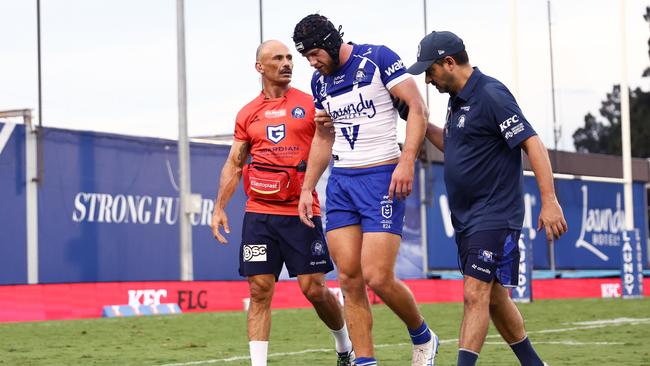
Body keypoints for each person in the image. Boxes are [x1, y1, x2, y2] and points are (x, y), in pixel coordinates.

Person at [403, 31, 568, 366]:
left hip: (494, 215)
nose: (428, 79)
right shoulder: (458, 100)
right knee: (493, 297)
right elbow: (453, 145)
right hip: (467, 219)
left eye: (430, 70)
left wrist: (549, 200)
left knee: (474, 292)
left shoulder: (491, 94)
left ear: (449, 62)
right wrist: (412, 120)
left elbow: (532, 142)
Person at [292, 14, 439, 366]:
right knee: (349, 279)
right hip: (342, 183)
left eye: (314, 54)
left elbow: (417, 107)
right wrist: (307, 188)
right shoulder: (320, 82)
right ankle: (365, 361)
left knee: (376, 275)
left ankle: (423, 336)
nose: (312, 62)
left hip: (382, 177)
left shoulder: (378, 58)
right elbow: (324, 135)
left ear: (329, 42)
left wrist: (406, 161)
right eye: (306, 57)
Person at [210, 40, 354, 366]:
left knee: (314, 289)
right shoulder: (247, 113)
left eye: (290, 57)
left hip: (301, 211)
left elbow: (329, 142)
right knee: (259, 290)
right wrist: (219, 207)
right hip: (259, 214)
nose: (287, 63)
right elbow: (234, 163)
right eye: (278, 58)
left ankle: (344, 346)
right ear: (260, 67)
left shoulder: (311, 103)